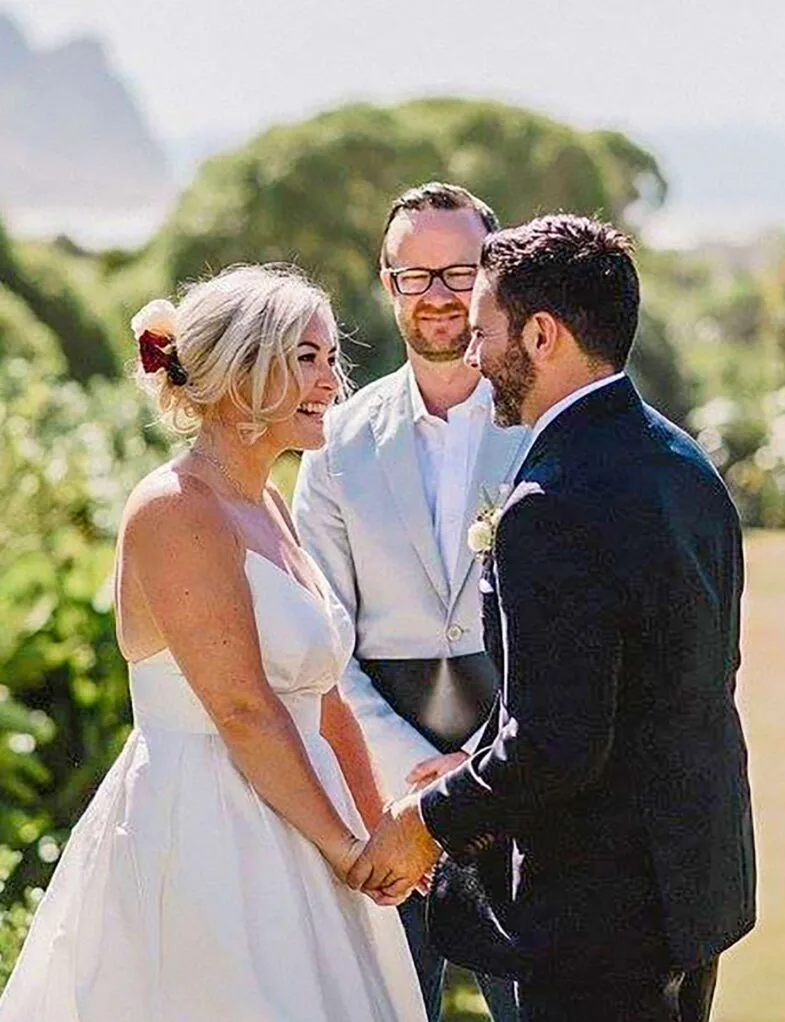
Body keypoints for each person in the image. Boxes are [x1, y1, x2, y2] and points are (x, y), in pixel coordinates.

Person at [348, 215, 757, 1022]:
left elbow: (556, 744)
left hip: (599, 914)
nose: (471, 355)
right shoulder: (680, 461)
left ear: (540, 335)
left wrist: (424, 819)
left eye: (482, 332)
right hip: (692, 883)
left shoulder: (551, 502)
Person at [0, 264, 427, 1022]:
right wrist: (343, 848)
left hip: (304, 814)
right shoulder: (175, 509)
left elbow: (322, 694)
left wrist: (371, 827)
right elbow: (240, 707)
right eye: (308, 358)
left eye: (331, 358)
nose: (334, 380)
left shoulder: (268, 501)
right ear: (240, 370)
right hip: (208, 833)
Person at [293, 182, 526, 1021]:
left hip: (528, 790)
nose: (435, 297)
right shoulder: (333, 447)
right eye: (412, 275)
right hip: (383, 797)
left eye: (458, 273)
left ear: (493, 275)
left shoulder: (546, 421)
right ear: (386, 283)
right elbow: (324, 640)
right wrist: (417, 786)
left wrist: (488, 769)